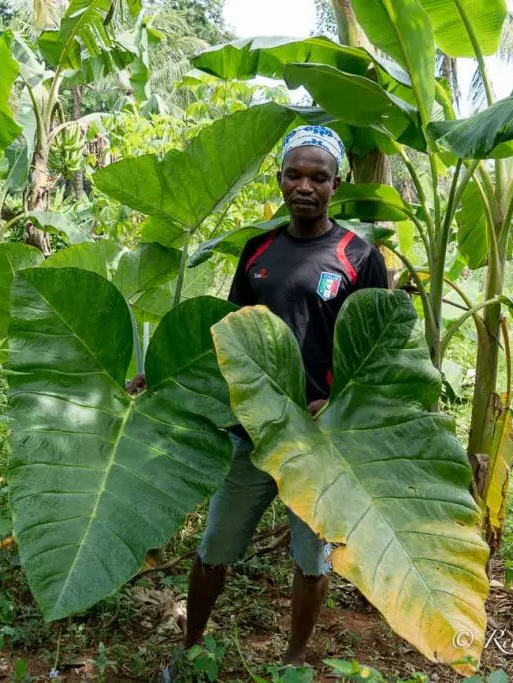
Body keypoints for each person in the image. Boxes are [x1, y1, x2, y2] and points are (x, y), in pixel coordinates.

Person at [165, 125, 389, 680]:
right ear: (281, 179)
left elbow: (378, 349)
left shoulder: (359, 256)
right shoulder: (258, 250)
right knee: (214, 546)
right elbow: (231, 334)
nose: (305, 186)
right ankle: (191, 647)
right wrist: (161, 375)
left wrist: (336, 403)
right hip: (254, 432)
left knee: (312, 560)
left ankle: (292, 661)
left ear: (336, 183)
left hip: (318, 442)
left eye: (319, 176)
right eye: (295, 174)